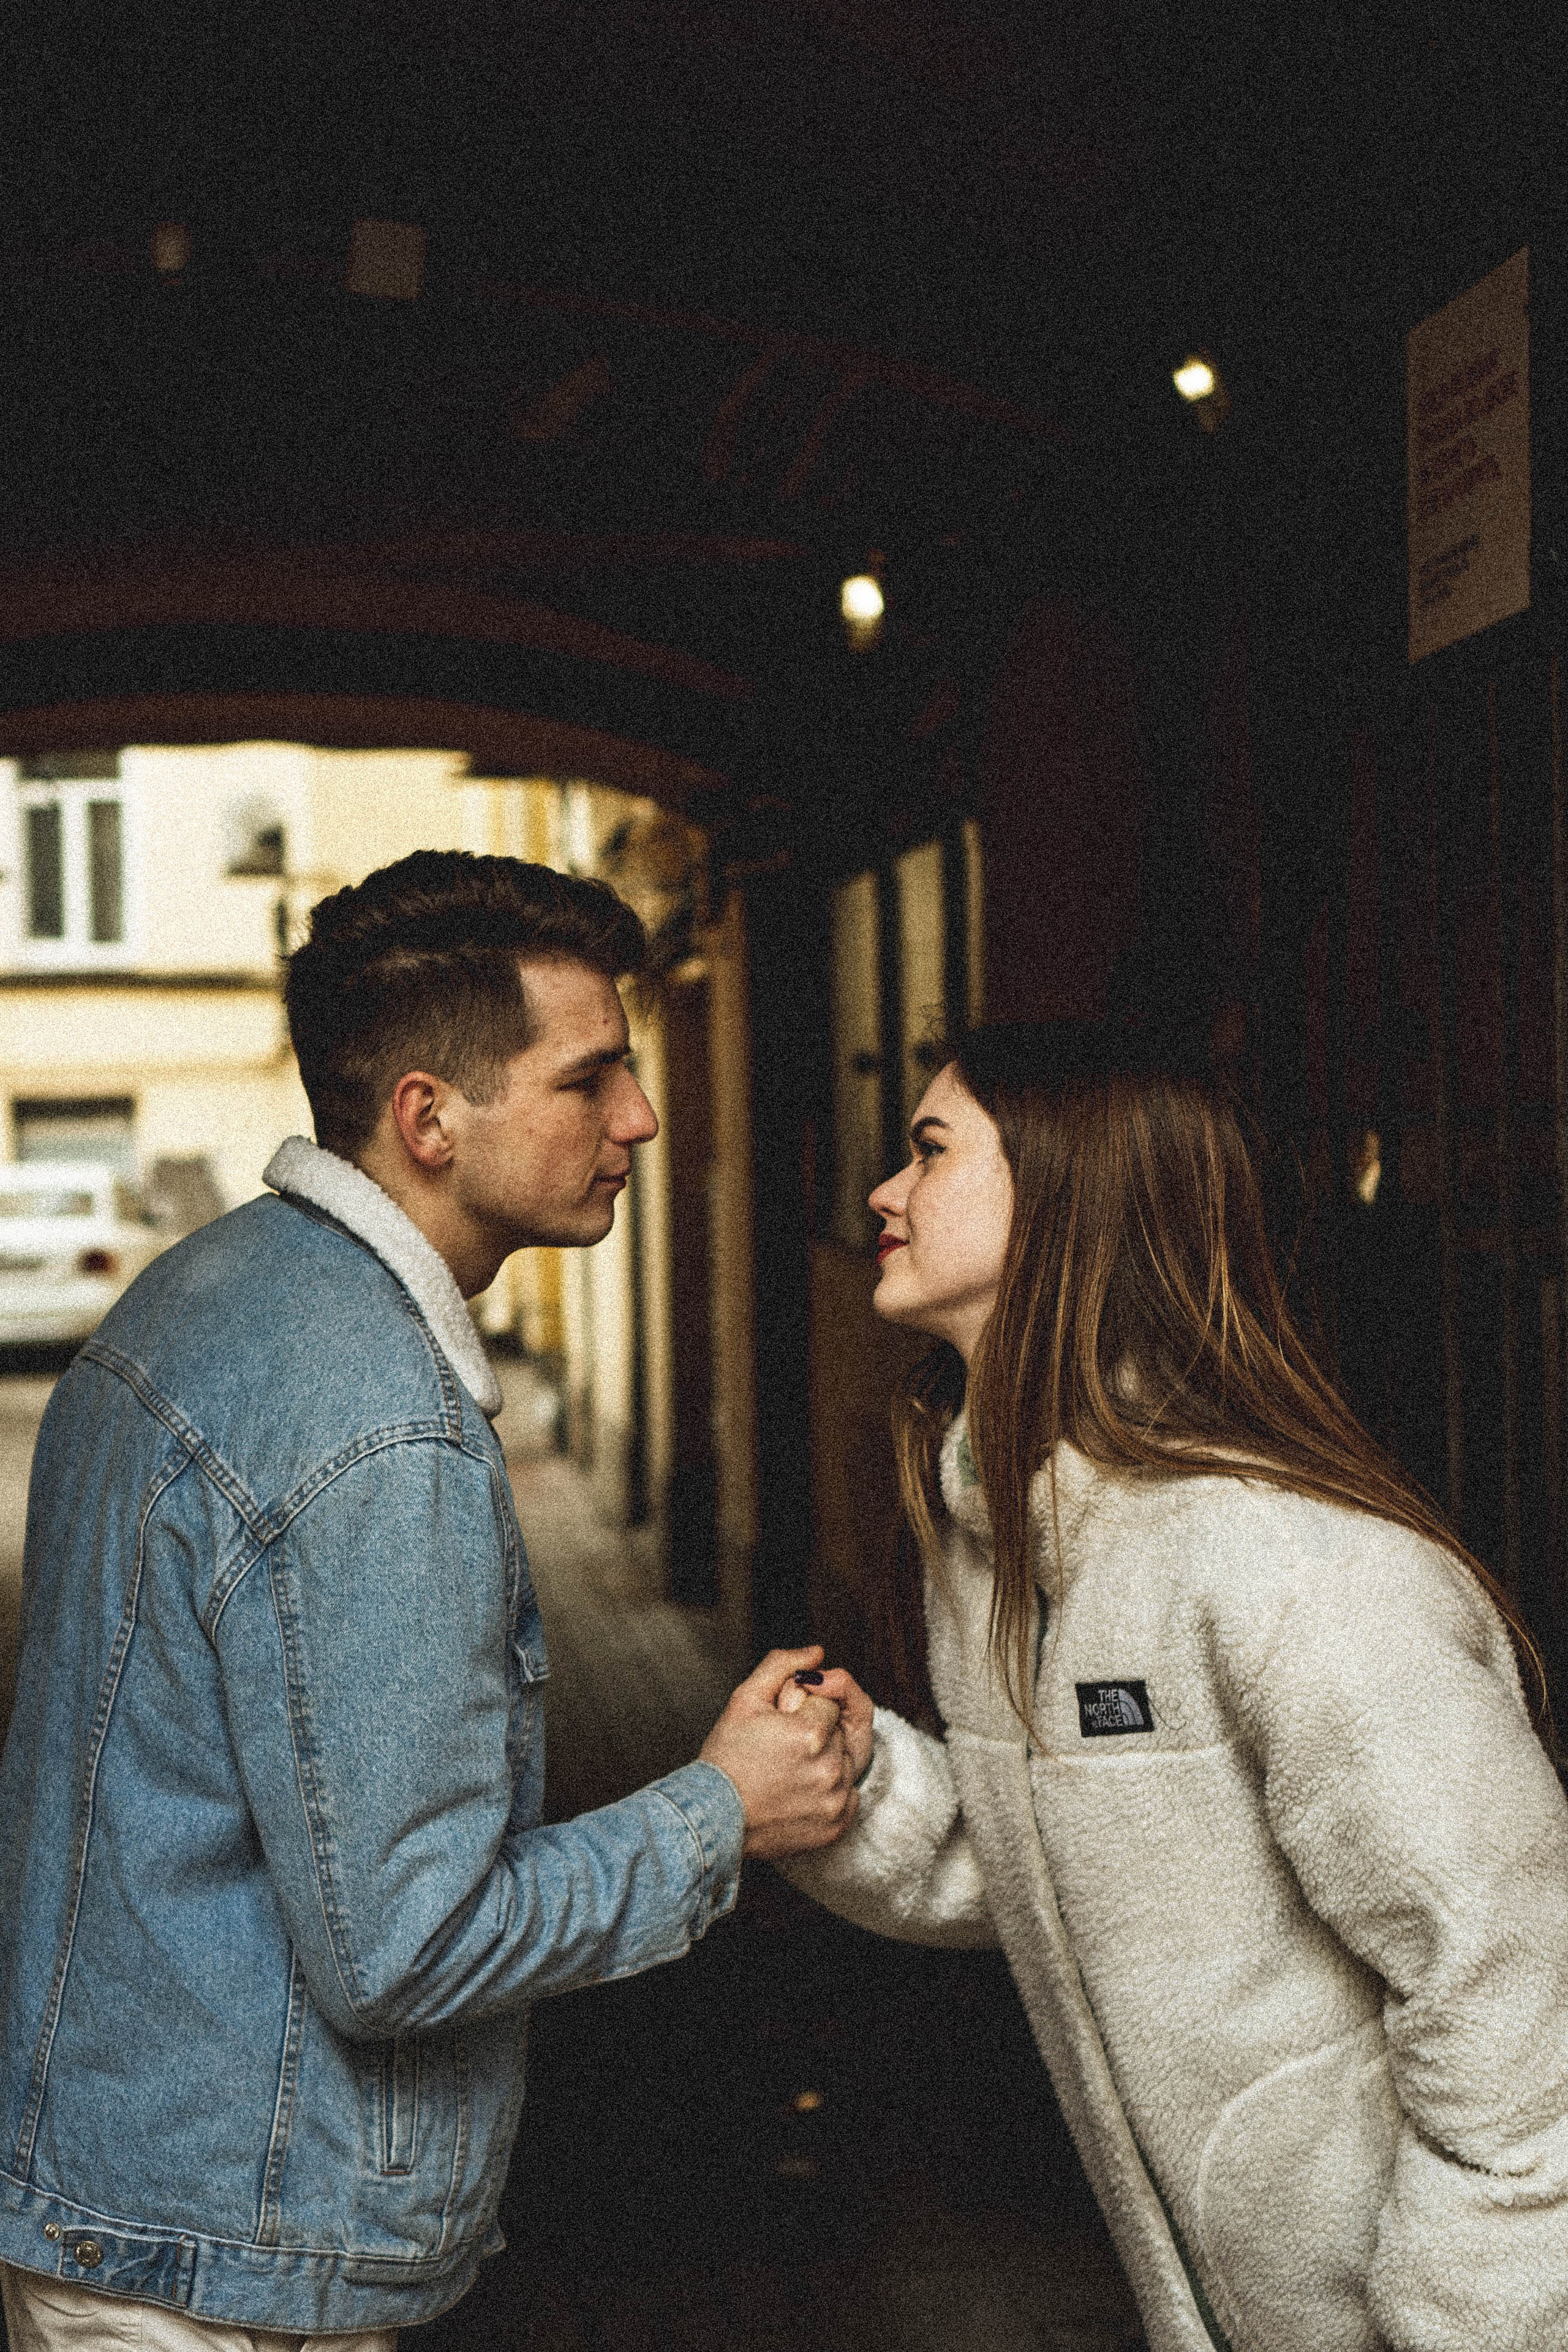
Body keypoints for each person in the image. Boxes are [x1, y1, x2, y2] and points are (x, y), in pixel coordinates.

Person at [0, 851, 857, 2350]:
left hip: (126, 2199)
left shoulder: (197, 1294)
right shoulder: (378, 1426)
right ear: (427, 1119)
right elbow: (408, 1948)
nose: (640, 1119)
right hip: (231, 2265)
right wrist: (724, 1809)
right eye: (590, 1080)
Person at [780, 1022, 1568, 2352]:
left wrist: (1461, 2322)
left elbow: (1513, 1990)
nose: (883, 1192)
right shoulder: (996, 1543)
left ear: (1066, 1195)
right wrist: (855, 1785)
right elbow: (1087, 1863)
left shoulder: (1287, 1568)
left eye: (928, 1150)